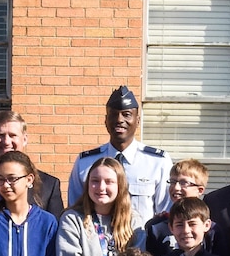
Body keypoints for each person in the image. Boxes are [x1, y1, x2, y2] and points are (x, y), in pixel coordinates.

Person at [67, 86, 172, 220]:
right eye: (113, 114)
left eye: (126, 114)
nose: (119, 120)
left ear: (138, 120)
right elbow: (76, 212)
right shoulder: (85, 163)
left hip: (142, 239)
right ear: (106, 121)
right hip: (96, 239)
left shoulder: (158, 162)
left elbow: (165, 215)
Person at [55, 156, 139, 256]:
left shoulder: (134, 223)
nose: (101, 187)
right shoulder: (72, 219)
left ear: (120, 185)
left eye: (109, 182)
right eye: (95, 181)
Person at [0, 111, 63, 213]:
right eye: (0, 135)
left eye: (12, 135)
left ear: (24, 139)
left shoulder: (48, 186)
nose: (6, 142)